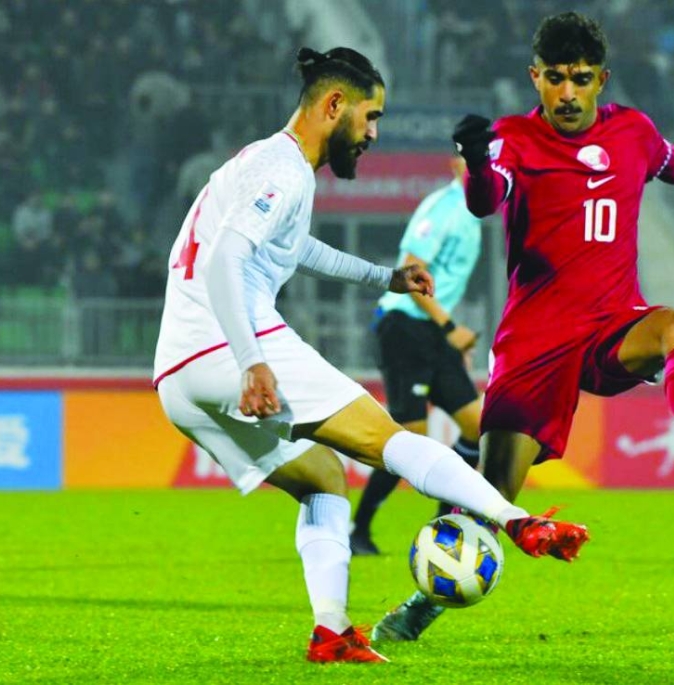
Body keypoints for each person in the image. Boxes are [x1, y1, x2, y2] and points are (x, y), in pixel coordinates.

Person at [152, 46, 589, 665]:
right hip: (228, 340)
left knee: (323, 478)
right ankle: (517, 521)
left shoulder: (265, 164)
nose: (374, 134)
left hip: (178, 373)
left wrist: (385, 277)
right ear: (335, 105)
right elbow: (226, 257)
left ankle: (331, 632)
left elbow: (298, 250)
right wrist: (251, 360)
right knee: (387, 439)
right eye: (371, 116)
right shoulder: (282, 169)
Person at [373, 12, 674, 643]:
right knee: (492, 493)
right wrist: (475, 162)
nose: (566, 92)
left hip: (612, 324)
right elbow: (485, 199)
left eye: (580, 78)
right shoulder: (512, 139)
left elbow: (673, 161)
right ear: (534, 77)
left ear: (601, 80)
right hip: (535, 342)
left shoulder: (633, 131)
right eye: (554, 77)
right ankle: (424, 603)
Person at [350, 154, 484, 556]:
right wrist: (450, 328)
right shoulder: (442, 207)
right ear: (455, 164)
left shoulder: (473, 214)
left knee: (478, 426)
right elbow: (410, 272)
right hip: (403, 328)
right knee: (409, 440)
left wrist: (446, 333)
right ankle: (358, 529)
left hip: (432, 332)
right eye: (473, 160)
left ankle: (445, 527)